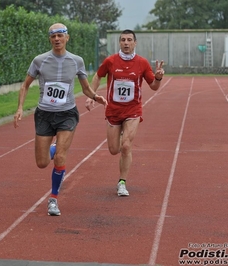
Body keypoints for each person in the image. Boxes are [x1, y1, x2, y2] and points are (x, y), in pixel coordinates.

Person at [13, 23, 107, 216]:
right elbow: (25, 86)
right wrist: (20, 108)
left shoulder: (77, 61)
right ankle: (53, 148)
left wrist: (95, 96)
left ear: (67, 38)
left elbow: (85, 87)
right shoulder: (39, 61)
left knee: (61, 158)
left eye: (60, 35)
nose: (57, 39)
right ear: (50, 39)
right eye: (53, 36)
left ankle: (53, 199)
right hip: (44, 115)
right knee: (41, 162)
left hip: (67, 114)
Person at [85, 29, 164, 197]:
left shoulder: (142, 63)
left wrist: (157, 78)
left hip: (133, 110)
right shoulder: (110, 61)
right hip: (113, 110)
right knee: (114, 149)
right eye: (123, 40)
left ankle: (122, 182)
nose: (126, 43)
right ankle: (121, 137)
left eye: (129, 40)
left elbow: (154, 87)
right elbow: (98, 76)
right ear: (119, 43)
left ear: (135, 43)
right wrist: (92, 95)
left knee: (126, 145)